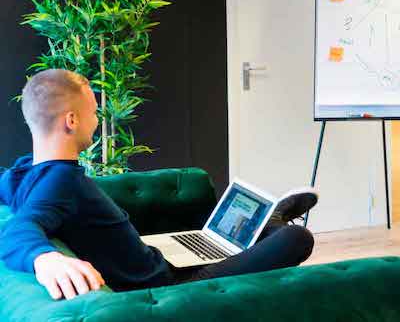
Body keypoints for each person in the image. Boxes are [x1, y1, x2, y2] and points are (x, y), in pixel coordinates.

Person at [0, 69, 317, 300]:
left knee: (226, 237)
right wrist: (46, 259)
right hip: (172, 286)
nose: (97, 121)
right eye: (94, 114)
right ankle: (270, 219)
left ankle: (264, 220)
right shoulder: (60, 181)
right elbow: (19, 229)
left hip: (159, 260)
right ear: (72, 121)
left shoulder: (23, 172)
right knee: (296, 238)